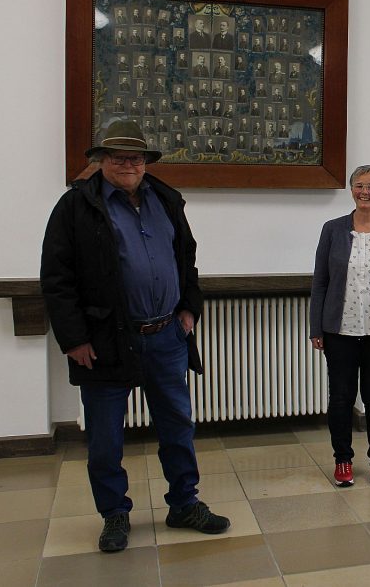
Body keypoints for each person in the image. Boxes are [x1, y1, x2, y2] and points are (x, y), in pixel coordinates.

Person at [40, 119, 229, 554]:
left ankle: (184, 503)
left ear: (146, 162)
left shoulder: (166, 199)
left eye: (136, 157)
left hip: (166, 335)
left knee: (178, 426)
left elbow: (187, 259)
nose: (129, 164)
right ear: (100, 161)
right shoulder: (74, 208)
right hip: (105, 341)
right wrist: (73, 339)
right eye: (119, 156)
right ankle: (114, 514)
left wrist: (189, 309)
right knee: (106, 438)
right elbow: (56, 279)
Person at [309, 165, 370, 487]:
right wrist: (316, 328)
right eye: (359, 185)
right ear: (351, 189)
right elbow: (320, 283)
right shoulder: (332, 229)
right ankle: (343, 460)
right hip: (339, 329)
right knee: (340, 397)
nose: (365, 192)